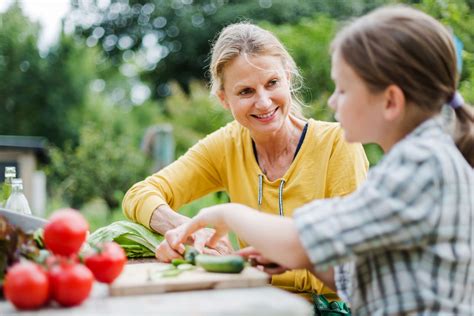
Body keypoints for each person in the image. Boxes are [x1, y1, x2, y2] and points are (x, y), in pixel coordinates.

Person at [165, 6, 474, 314]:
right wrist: (297, 258)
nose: (332, 101)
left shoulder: (419, 167)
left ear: (390, 101)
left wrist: (228, 214)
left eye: (343, 89)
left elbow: (303, 239)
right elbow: (366, 277)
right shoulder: (422, 158)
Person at [122, 22, 369, 301]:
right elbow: (139, 194)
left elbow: (352, 268)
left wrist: (253, 269)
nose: (263, 103)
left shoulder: (338, 143)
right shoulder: (227, 144)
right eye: (246, 92)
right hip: (255, 304)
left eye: (272, 83)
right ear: (224, 99)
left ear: (287, 78)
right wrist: (188, 232)